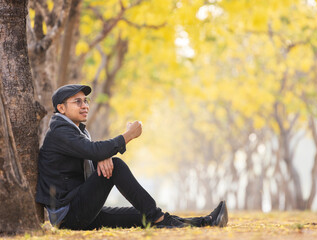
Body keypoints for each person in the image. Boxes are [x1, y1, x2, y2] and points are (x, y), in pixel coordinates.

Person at [35, 84, 228, 230]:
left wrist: (103, 155)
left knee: (141, 216)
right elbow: (93, 151)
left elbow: (90, 153)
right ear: (61, 108)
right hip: (69, 216)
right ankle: (158, 217)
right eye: (77, 102)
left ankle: (206, 222)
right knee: (116, 166)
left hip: (80, 210)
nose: (84, 105)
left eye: (86, 101)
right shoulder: (60, 132)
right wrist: (128, 136)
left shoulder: (76, 132)